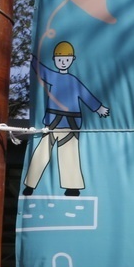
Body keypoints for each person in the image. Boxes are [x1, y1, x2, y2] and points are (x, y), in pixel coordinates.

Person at [22, 40, 110, 197]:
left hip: (70, 124)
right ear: (55, 60)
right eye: (60, 60)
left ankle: (72, 187)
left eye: (66, 60)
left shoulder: (74, 81)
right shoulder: (53, 76)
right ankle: (30, 185)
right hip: (53, 123)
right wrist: (33, 60)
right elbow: (41, 71)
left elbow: (85, 95)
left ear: (72, 60)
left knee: (69, 156)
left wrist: (99, 108)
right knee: (41, 153)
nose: (63, 63)